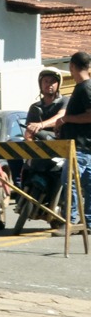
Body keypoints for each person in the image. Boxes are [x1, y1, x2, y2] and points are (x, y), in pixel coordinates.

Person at [34, 51, 91, 224]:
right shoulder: (82, 87)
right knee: (87, 186)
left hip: (80, 148)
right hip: (84, 147)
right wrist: (63, 125)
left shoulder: (85, 88)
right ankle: (88, 222)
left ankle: (70, 220)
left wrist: (66, 119)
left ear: (72, 66)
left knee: (69, 183)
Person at [18, 69, 67, 224]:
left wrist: (41, 125)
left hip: (60, 149)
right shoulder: (35, 107)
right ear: (40, 84)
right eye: (46, 81)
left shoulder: (64, 101)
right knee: (24, 167)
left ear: (58, 84)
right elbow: (29, 131)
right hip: (40, 152)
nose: (49, 85)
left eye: (52, 81)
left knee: (66, 178)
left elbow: (61, 117)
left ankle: (64, 209)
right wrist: (29, 147)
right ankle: (20, 194)